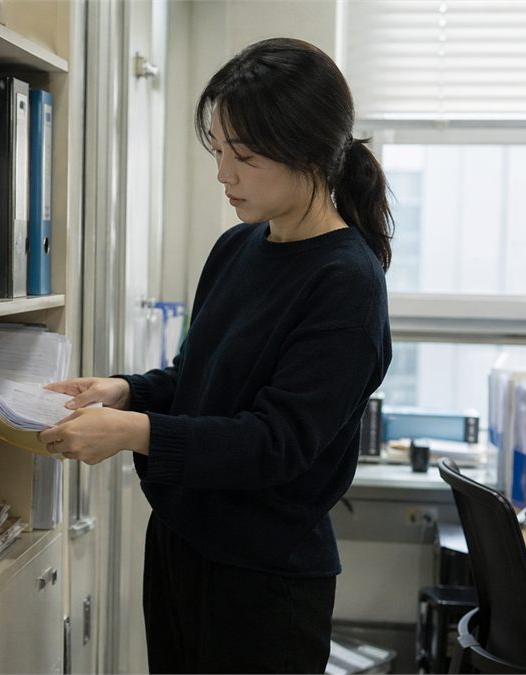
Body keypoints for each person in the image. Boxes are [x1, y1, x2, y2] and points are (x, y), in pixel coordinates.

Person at [38, 37, 393, 673]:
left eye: (245, 156)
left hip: (264, 583)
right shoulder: (237, 247)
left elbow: (275, 443)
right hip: (181, 547)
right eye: (220, 150)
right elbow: (197, 378)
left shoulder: (347, 283)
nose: (224, 173)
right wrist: (127, 391)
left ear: (310, 153)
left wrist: (133, 431)